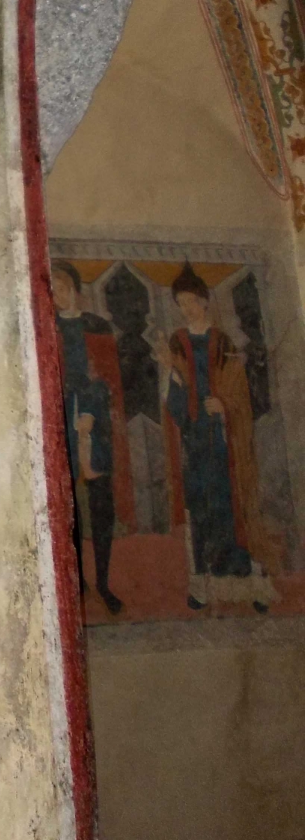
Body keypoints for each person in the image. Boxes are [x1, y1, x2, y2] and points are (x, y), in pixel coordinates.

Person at [155, 262, 278, 612]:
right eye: (181, 304)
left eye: (192, 301)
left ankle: (246, 581)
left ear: (205, 301)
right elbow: (173, 394)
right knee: (200, 506)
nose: (187, 309)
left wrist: (224, 405)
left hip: (223, 440)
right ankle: (203, 584)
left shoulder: (223, 341)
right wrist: (172, 373)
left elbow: (238, 391)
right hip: (194, 437)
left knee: (229, 503)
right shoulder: (177, 342)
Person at [51, 261, 128, 615]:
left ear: (75, 289)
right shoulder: (48, 327)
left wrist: (91, 413)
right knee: (67, 508)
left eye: (63, 287)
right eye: (53, 289)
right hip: (62, 425)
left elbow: (107, 378)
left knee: (101, 507)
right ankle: (76, 580)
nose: (58, 295)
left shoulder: (96, 326)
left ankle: (104, 582)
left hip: (94, 427)